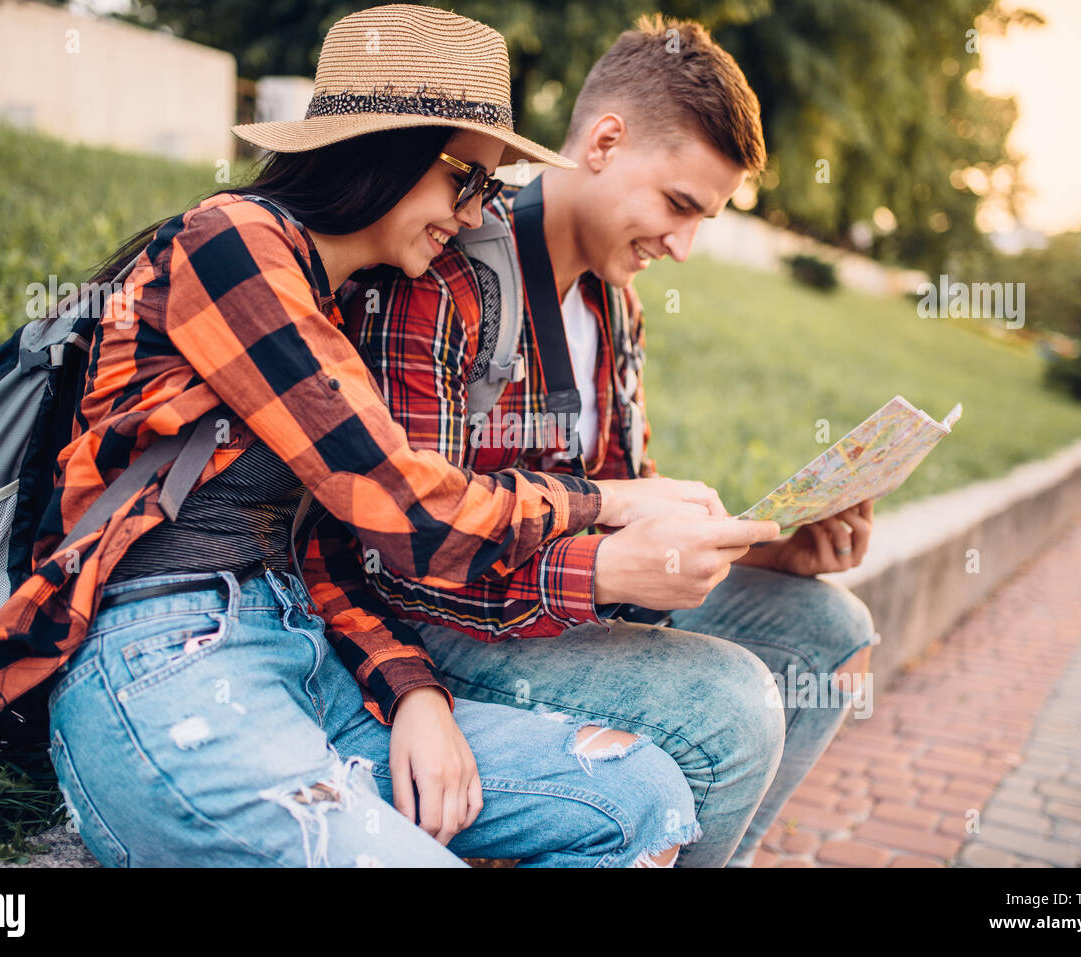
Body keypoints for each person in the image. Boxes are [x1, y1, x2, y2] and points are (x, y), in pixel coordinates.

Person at [0, 4, 765, 867]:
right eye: (467, 181)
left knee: (640, 796)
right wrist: (607, 501)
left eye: (490, 192)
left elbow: (332, 546)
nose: (472, 217)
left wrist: (413, 688)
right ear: (389, 150)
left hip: (306, 659)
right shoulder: (231, 241)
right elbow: (403, 506)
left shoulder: (344, 302)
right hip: (162, 661)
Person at [334, 14, 881, 867]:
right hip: (443, 622)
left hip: (569, 601)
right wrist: (603, 572)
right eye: (677, 205)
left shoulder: (614, 304)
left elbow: (626, 493)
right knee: (734, 704)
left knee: (830, 629)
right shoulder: (445, 272)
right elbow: (405, 554)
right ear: (604, 142)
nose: (685, 246)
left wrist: (769, 547)